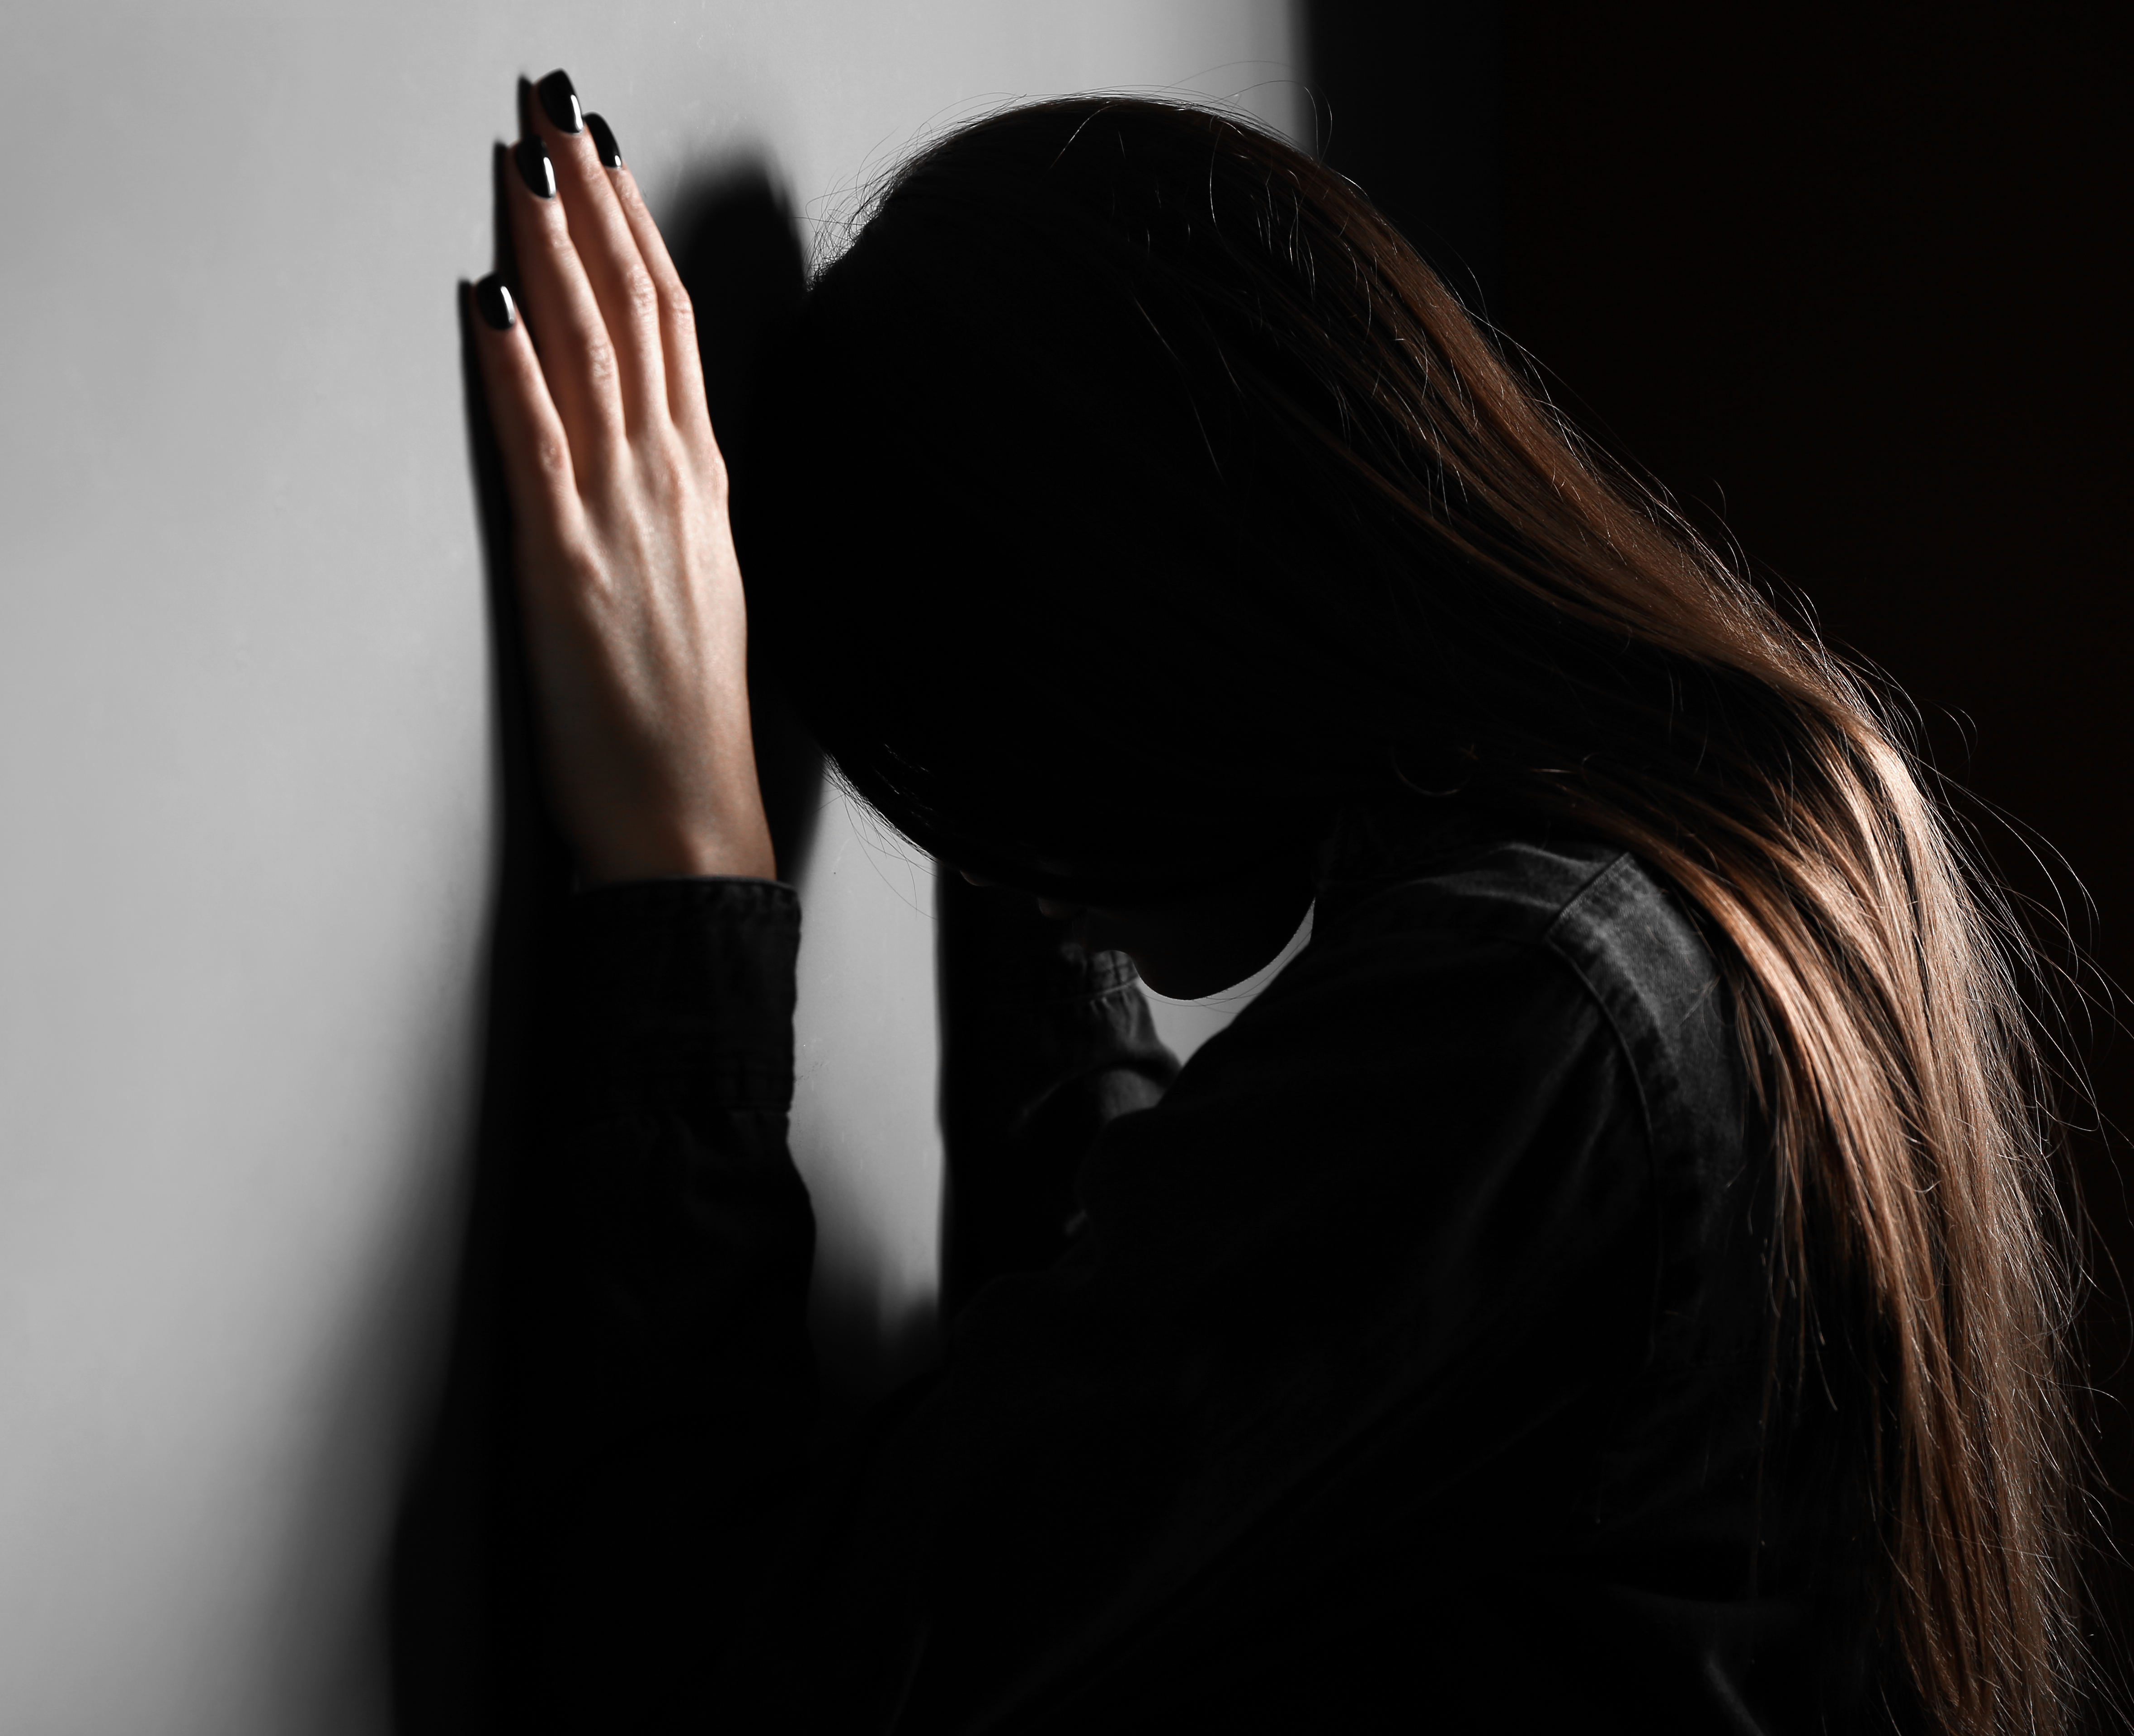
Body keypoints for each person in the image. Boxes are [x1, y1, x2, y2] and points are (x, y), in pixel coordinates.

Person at [463, 70, 2094, 1734]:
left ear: (1116, 645)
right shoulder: (1789, 832)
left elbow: (753, 1671)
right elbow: (1157, 1421)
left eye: (967, 777)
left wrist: (688, 867)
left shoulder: (1529, 1012)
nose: (1029, 881)